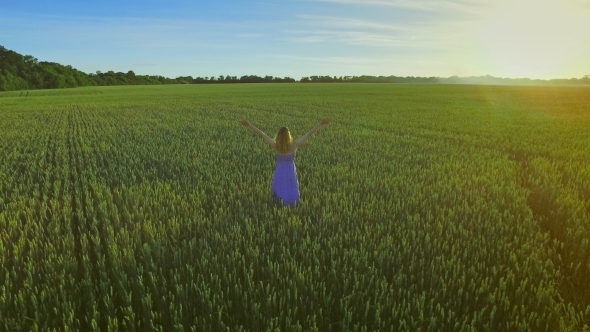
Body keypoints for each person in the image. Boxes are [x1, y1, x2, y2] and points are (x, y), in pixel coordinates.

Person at [238, 118, 331, 207]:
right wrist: (321, 124)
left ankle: (278, 203)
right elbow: (309, 134)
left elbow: (261, 134)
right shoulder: (294, 145)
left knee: (280, 187)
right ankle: (292, 205)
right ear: (288, 135)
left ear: (278, 136)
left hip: (280, 171)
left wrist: (249, 125)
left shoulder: (276, 146)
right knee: (291, 187)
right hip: (290, 171)